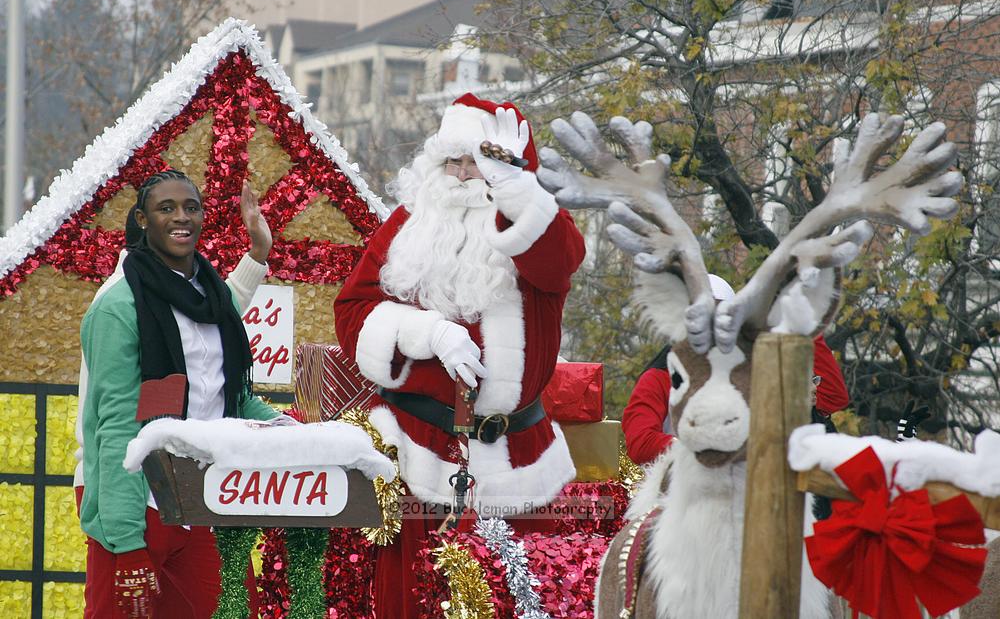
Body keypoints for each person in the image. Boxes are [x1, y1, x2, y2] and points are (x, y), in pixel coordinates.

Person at [334, 93, 585, 617]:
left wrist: (515, 184)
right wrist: (424, 332)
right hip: (418, 449)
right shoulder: (410, 223)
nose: (463, 173)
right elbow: (354, 310)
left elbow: (560, 262)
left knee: (531, 598)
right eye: (454, 160)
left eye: (477, 161)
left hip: (519, 457)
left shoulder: (532, 228)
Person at [79, 169, 283, 619]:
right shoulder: (118, 305)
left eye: (191, 207)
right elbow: (118, 426)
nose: (181, 217)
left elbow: (222, 392)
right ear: (142, 220)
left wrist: (258, 253)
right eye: (166, 208)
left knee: (231, 610)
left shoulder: (204, 294)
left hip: (201, 496)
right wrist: (127, 541)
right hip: (136, 498)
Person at [622, 274, 850, 466]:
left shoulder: (750, 375)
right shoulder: (659, 378)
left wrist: (800, 322)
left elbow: (830, 397)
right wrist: (709, 451)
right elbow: (640, 443)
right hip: (677, 493)